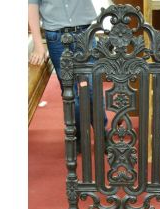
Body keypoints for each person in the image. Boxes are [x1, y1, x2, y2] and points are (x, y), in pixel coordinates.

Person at [28, 0, 108, 154]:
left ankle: (101, 133)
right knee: (70, 92)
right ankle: (76, 135)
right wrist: (38, 44)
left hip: (85, 33)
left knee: (92, 88)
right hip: (56, 37)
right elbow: (32, 5)